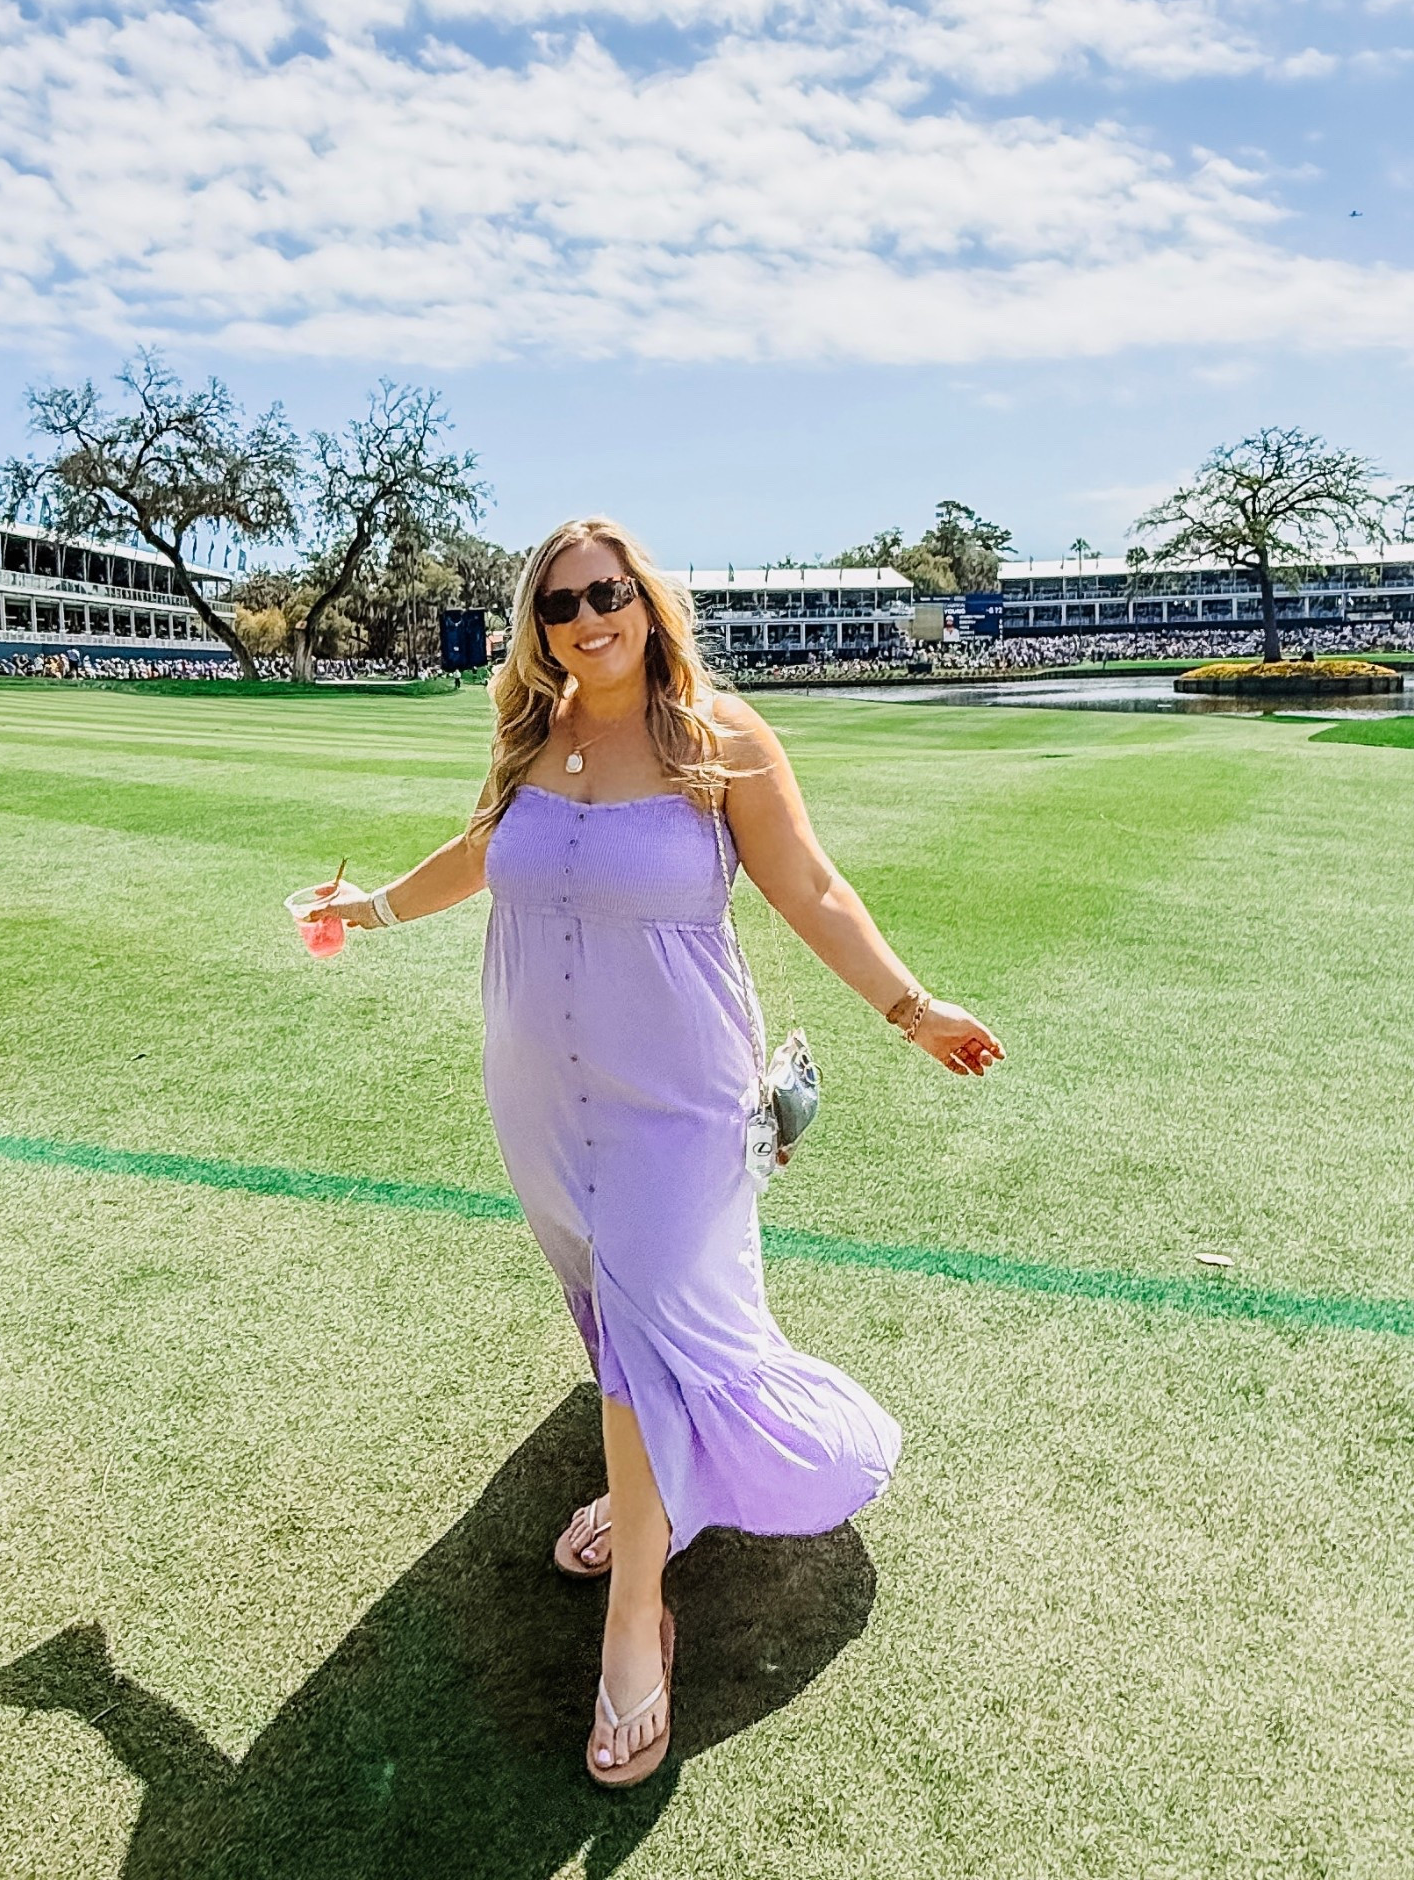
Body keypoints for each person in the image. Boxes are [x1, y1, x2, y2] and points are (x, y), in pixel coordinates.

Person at [304, 517, 1004, 1788]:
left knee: (646, 1314)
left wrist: (913, 1008)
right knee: (609, 1318)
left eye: (609, 592)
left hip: (677, 1098)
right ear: (539, 625)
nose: (588, 618)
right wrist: (375, 905)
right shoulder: (531, 733)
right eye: (561, 603)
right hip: (539, 1093)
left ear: (647, 600)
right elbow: (484, 850)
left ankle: (639, 1618)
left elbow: (816, 887)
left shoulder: (715, 734)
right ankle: (653, 1494)